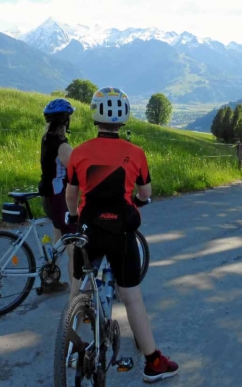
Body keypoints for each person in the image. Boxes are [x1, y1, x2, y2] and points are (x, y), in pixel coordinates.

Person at [65, 87, 179, 383]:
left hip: (89, 228)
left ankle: (68, 342)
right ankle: (153, 362)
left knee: (78, 288)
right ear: (124, 118)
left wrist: (74, 218)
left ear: (94, 115)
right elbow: (145, 193)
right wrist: (137, 204)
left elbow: (71, 194)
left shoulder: (79, 153)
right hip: (121, 230)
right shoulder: (136, 153)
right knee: (131, 297)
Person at [38, 98, 76, 290]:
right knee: (74, 248)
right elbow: (79, 172)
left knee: (58, 240)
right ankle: (77, 295)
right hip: (59, 199)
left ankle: (50, 279)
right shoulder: (62, 146)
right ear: (66, 121)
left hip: (48, 197)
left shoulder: (46, 139)